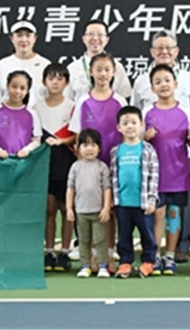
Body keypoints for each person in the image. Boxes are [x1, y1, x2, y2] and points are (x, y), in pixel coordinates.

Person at [130, 29, 190, 263]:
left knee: (177, 211)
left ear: (176, 50)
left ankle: (177, 250)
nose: (164, 51)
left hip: (180, 159)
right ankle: (153, 253)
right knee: (155, 211)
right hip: (153, 162)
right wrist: (143, 137)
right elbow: (135, 116)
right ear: (152, 51)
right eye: (159, 48)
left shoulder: (188, 80)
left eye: (169, 47)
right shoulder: (141, 82)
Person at [68, 52, 127, 269]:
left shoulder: (119, 101)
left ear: (114, 73)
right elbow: (78, 136)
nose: (103, 74)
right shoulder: (83, 101)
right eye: (98, 69)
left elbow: (125, 134)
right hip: (89, 166)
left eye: (107, 70)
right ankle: (92, 254)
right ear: (91, 72)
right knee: (91, 210)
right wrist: (82, 164)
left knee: (109, 209)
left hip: (114, 164)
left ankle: (108, 254)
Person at [142, 65, 190, 276]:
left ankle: (170, 256)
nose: (163, 85)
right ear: (152, 88)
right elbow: (137, 139)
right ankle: (155, 256)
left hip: (178, 174)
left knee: (174, 215)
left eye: (167, 80)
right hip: (154, 176)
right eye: (158, 82)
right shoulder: (147, 112)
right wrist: (145, 137)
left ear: (176, 84)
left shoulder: (186, 112)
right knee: (157, 216)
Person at [33, 63, 76, 273]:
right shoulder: (36, 108)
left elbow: (77, 135)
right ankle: (49, 251)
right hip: (45, 164)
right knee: (49, 208)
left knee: (67, 208)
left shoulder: (72, 107)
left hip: (66, 162)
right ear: (44, 82)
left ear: (66, 82)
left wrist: (61, 141)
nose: (55, 83)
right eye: (51, 78)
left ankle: (65, 252)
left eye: (60, 79)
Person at [110, 106, 159, 279]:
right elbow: (113, 176)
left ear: (141, 125)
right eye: (125, 123)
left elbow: (154, 176)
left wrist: (151, 200)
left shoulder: (148, 150)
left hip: (143, 203)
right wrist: (113, 200)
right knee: (124, 235)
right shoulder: (115, 151)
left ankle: (149, 261)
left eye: (133, 122)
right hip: (123, 203)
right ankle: (125, 263)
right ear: (119, 127)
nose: (130, 126)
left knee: (147, 234)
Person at [66, 129, 113, 279]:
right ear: (78, 148)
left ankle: (103, 266)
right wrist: (69, 208)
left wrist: (106, 207)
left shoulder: (102, 167)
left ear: (99, 148)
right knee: (84, 240)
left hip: (98, 212)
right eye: (85, 145)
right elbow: (70, 189)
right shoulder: (75, 167)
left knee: (100, 240)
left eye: (93, 145)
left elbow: (107, 189)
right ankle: (85, 266)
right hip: (81, 212)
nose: (89, 149)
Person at [66, 20, 132, 101]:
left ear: (107, 39)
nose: (95, 38)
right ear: (84, 38)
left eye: (100, 35)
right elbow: (68, 100)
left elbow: (124, 97)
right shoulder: (72, 68)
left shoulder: (117, 67)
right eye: (90, 34)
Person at [0, 21, 51, 108]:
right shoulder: (1, 66)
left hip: (39, 115)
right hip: (8, 115)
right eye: (19, 35)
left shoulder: (45, 65)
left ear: (35, 38)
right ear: (12, 38)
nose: (24, 40)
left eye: (28, 35)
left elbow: (50, 97)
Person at [0, 71, 42, 158]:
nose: (17, 91)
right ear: (7, 85)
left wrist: (27, 150)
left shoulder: (32, 114)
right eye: (14, 86)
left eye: (22, 88)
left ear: (27, 91)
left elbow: (37, 140)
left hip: (23, 162)